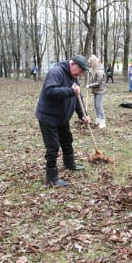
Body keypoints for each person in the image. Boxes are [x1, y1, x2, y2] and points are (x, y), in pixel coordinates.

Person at [35, 55, 91, 187]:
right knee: (53, 147)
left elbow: (78, 98)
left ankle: (70, 164)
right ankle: (51, 177)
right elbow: (50, 91)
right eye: (80, 70)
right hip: (49, 117)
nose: (80, 74)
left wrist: (83, 115)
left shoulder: (74, 77)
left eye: (82, 72)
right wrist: (70, 91)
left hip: (62, 118)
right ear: (72, 64)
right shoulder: (56, 72)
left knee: (67, 140)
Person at [87, 54, 107, 128]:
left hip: (100, 91)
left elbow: (98, 83)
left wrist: (90, 86)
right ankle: (98, 119)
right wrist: (90, 73)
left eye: (90, 63)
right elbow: (92, 79)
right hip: (95, 90)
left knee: (99, 106)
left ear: (94, 63)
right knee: (95, 106)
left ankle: (103, 121)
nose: (89, 65)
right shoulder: (94, 70)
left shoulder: (99, 71)